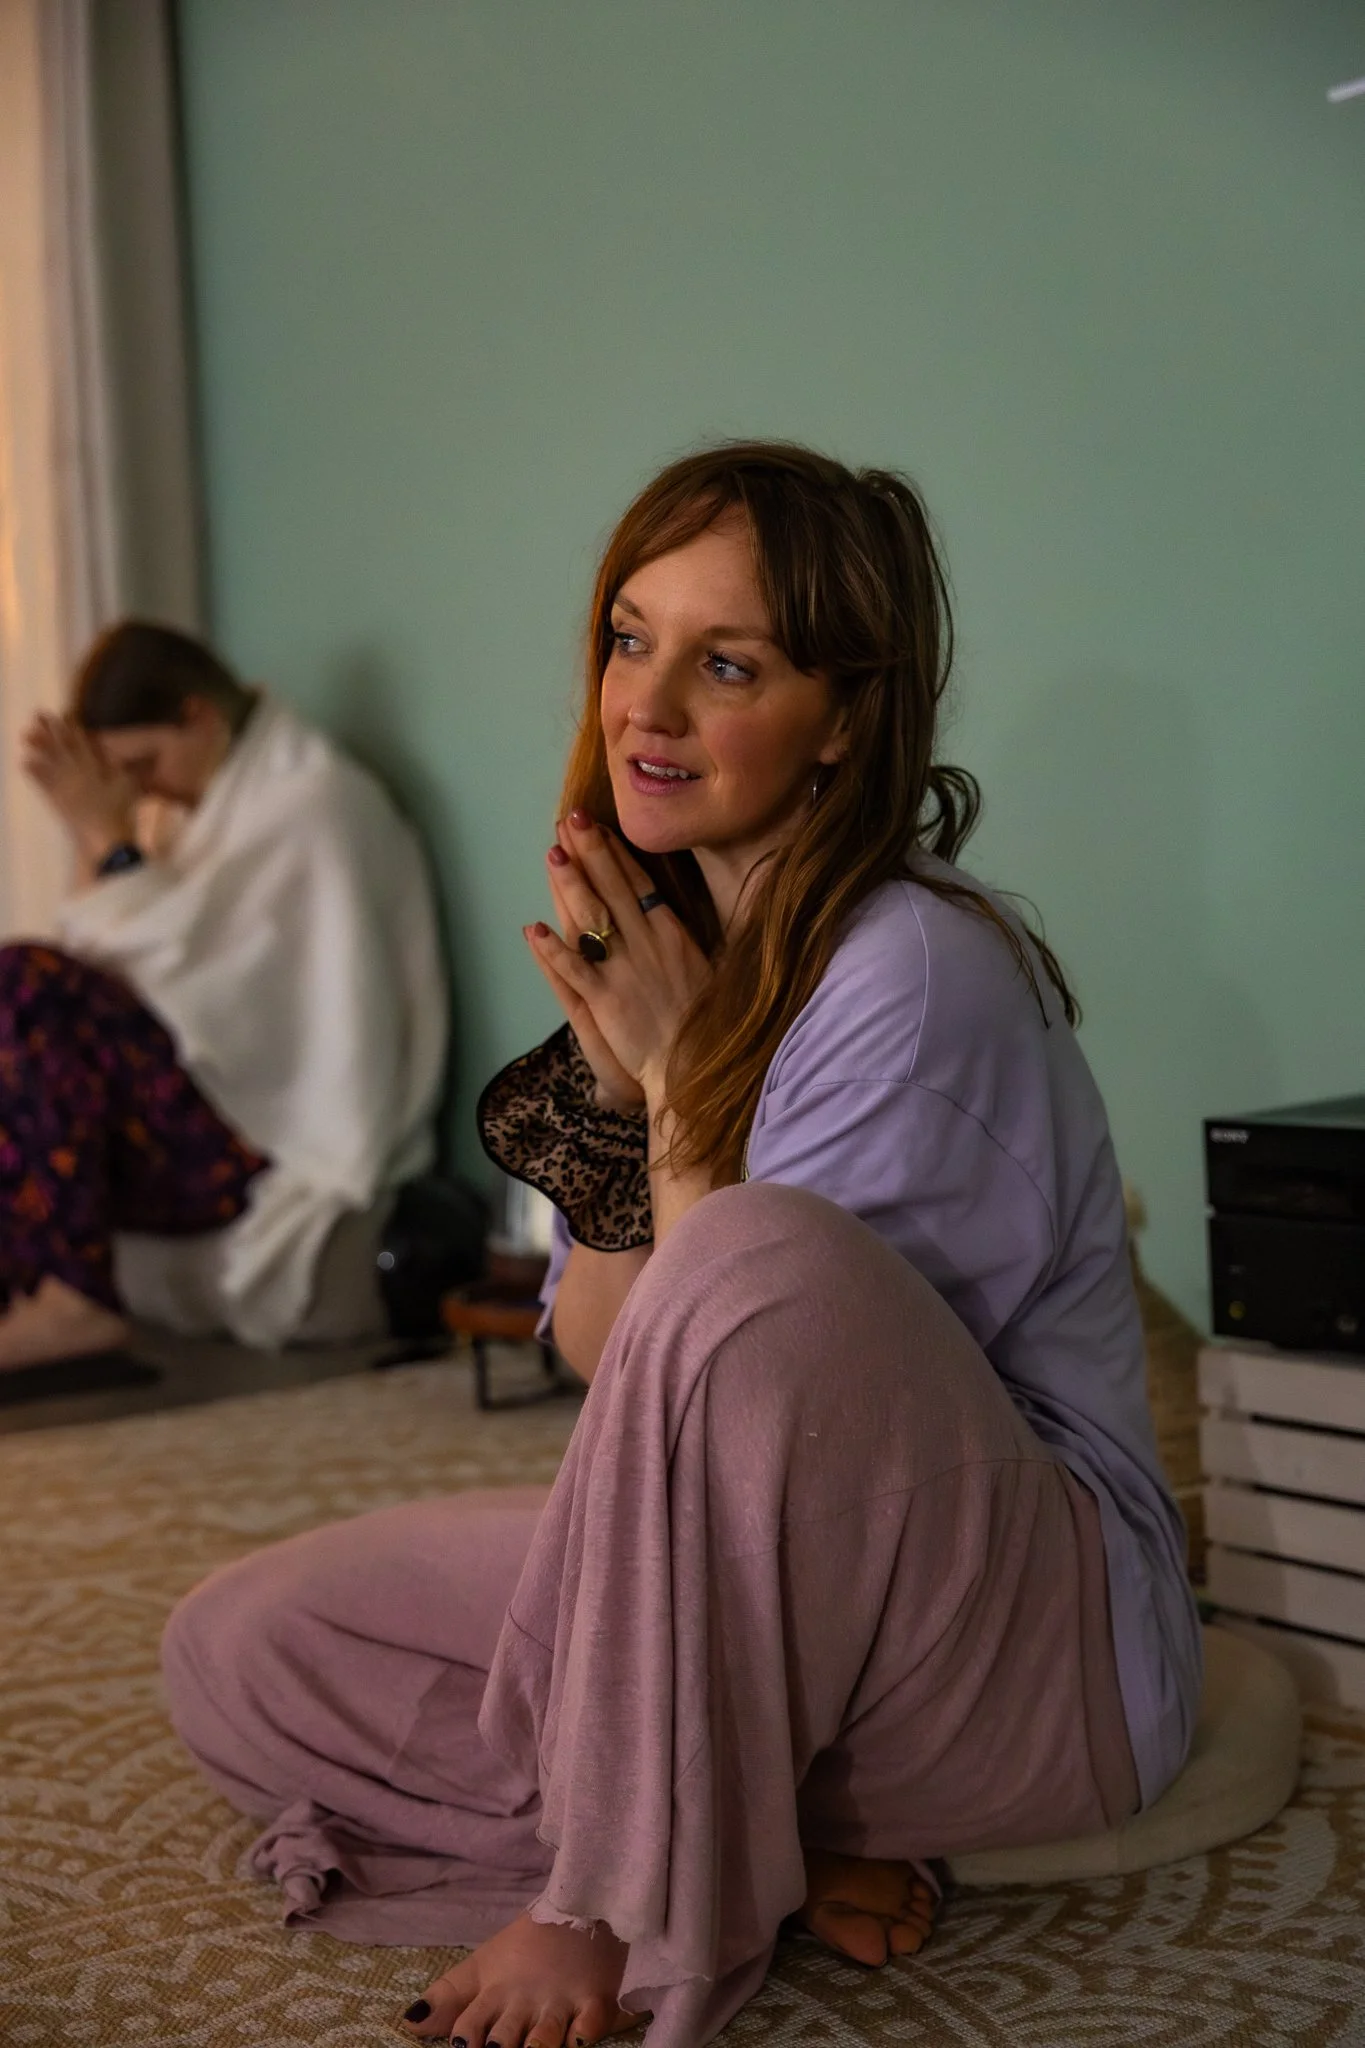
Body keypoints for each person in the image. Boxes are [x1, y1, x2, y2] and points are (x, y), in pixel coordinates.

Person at [160, 447, 1201, 2048]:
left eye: (728, 666)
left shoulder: (914, 970)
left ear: (842, 720)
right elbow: (605, 1357)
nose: (645, 706)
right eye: (630, 639)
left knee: (755, 1249)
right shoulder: (686, 945)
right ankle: (761, 1846)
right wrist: (639, 1098)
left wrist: (683, 1101)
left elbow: (746, 1359)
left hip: (1028, 1660)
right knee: (240, 1649)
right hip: (790, 1619)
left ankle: (611, 1895)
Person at [0, 622, 446, 1367]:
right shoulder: (195, 811)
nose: (144, 791)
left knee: (24, 980)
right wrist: (94, 833)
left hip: (267, 1138)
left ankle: (75, 1300)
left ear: (198, 716)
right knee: (23, 1002)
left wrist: (109, 839)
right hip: (212, 1122)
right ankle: (33, 1287)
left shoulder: (313, 805)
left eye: (144, 765)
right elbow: (104, 959)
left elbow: (231, 1007)